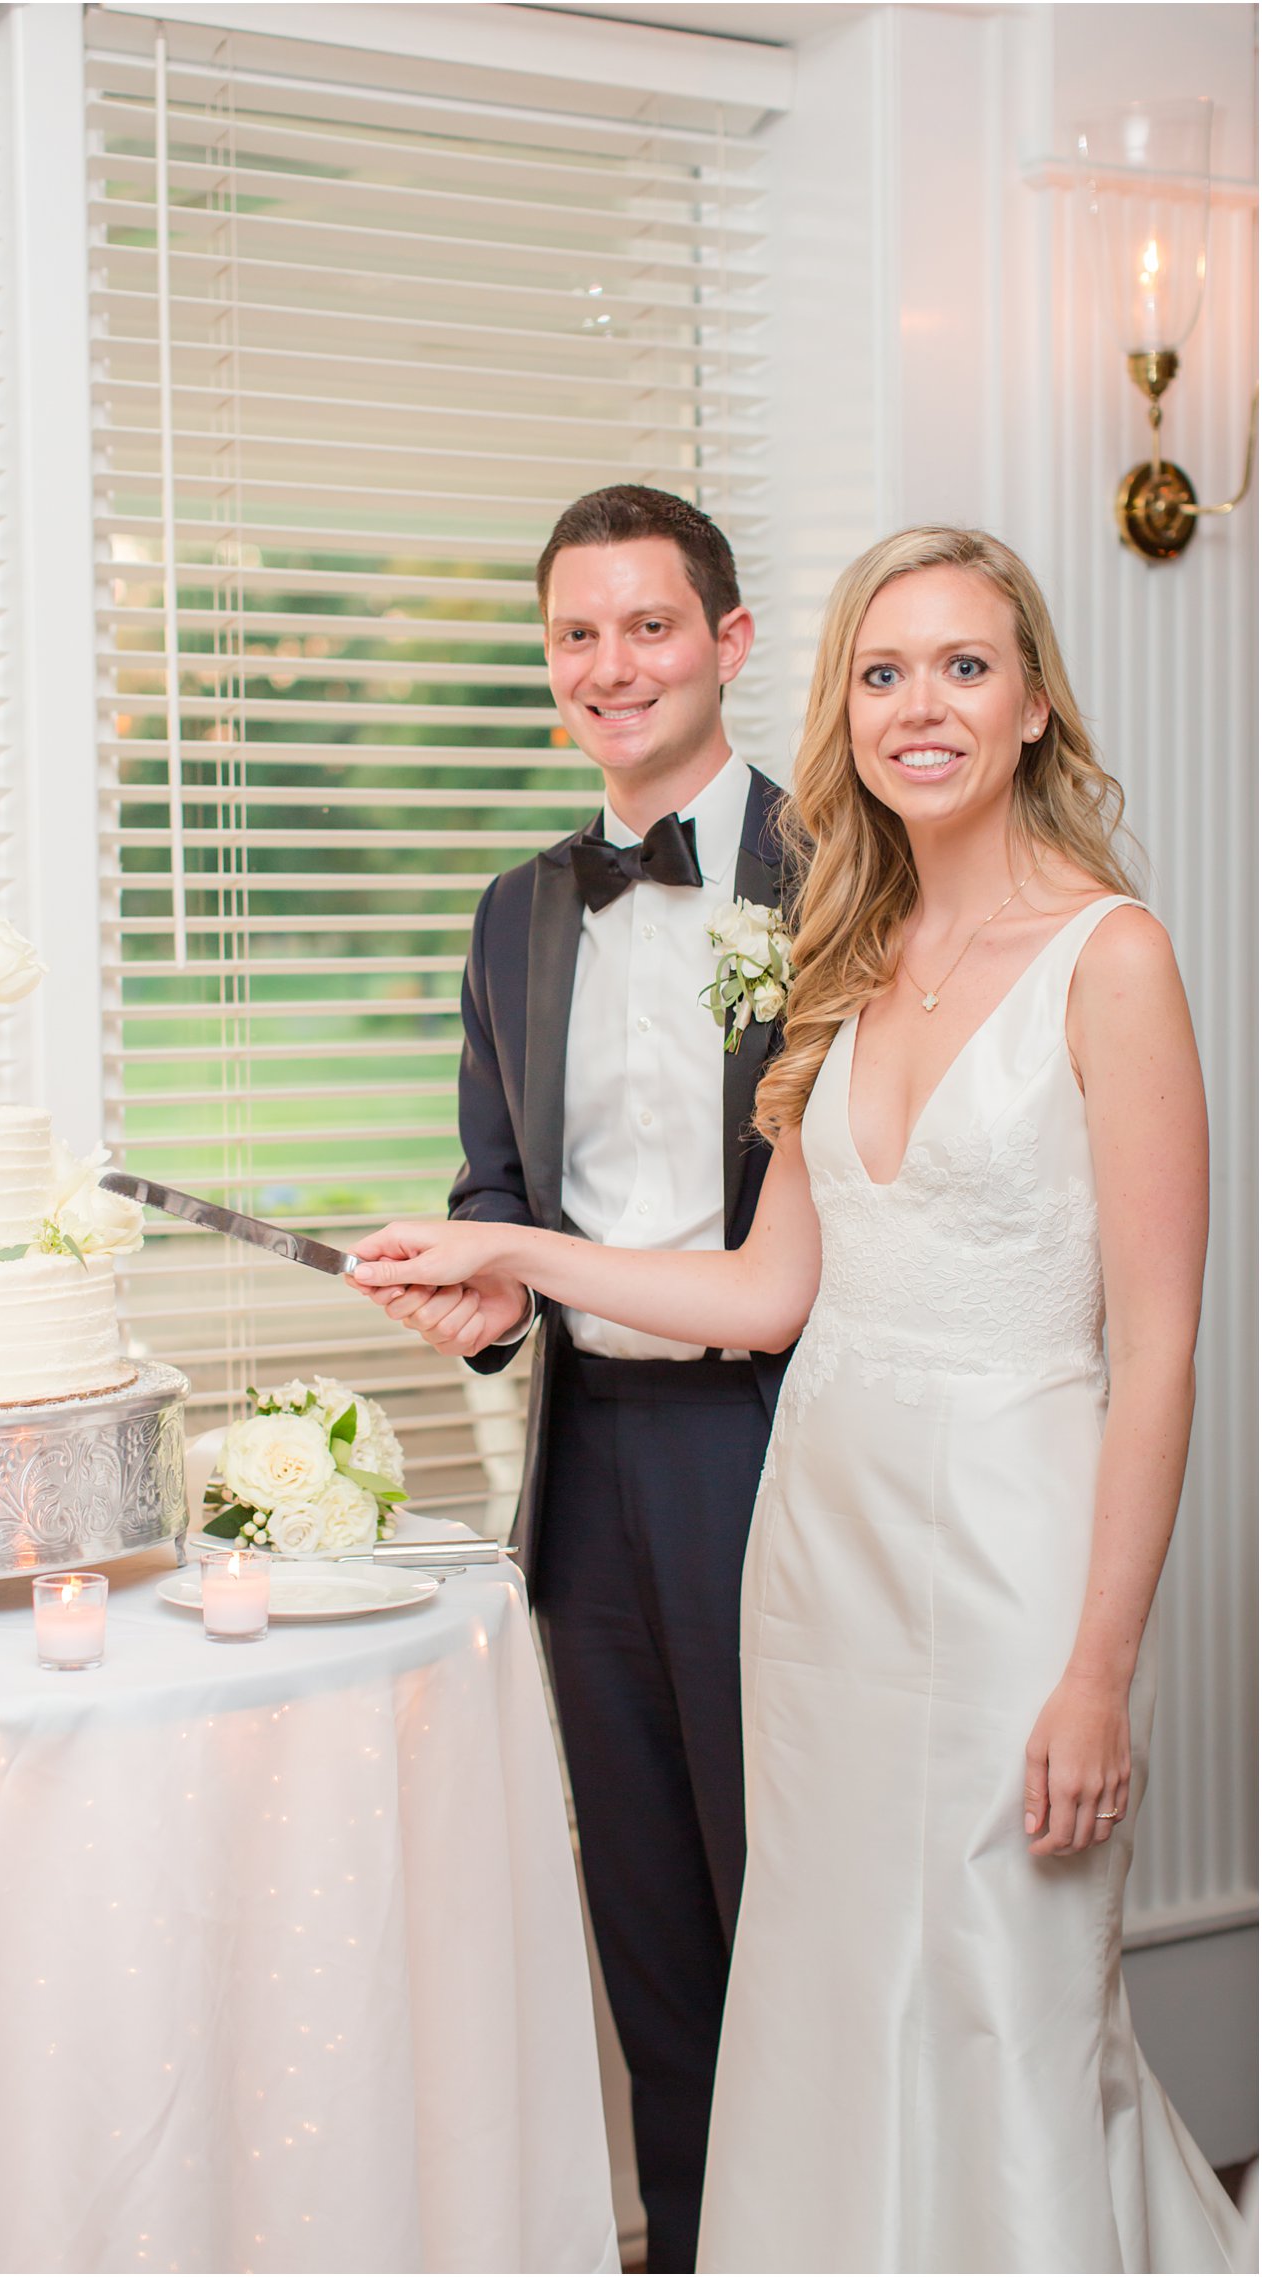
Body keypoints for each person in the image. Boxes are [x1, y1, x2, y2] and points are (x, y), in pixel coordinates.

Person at [354, 526, 1244, 2273]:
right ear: (843, 701)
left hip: (1011, 1555)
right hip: (819, 1551)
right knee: (828, 1997)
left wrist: (1095, 1672)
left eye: (967, 665)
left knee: (1013, 1997)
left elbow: (1160, 1351)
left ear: (1038, 700)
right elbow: (765, 1288)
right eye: (885, 671)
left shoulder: (1114, 958)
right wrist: (521, 1258)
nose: (923, 706)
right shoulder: (841, 959)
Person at [366, 484, 791, 2273]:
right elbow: (501, 1196)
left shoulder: (844, 873)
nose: (609, 666)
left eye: (648, 625)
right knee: (654, 1935)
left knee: (804, 1906)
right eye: (574, 634)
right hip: (591, 1471)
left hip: (794, 1449)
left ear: (729, 642)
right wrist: (484, 1300)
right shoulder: (512, 913)